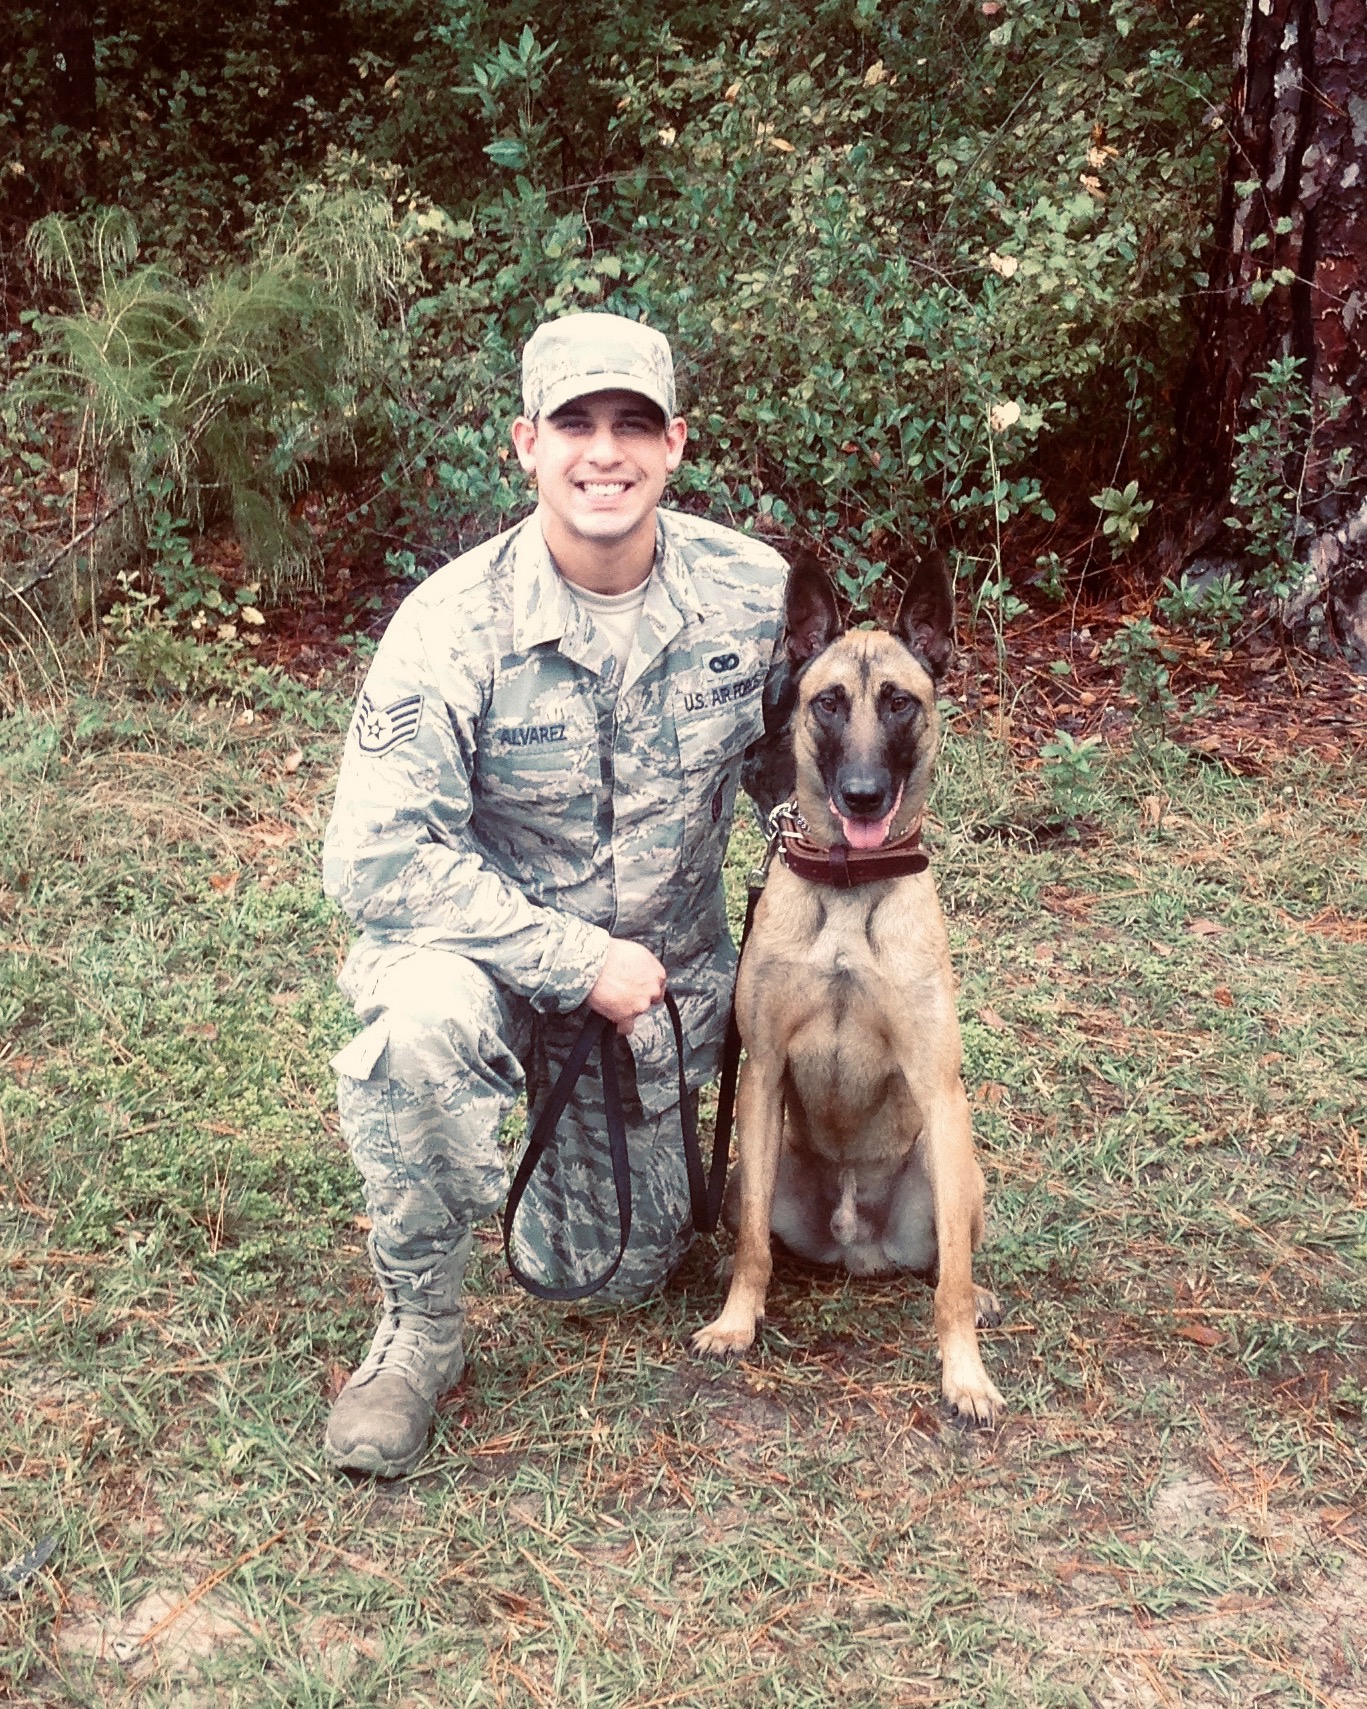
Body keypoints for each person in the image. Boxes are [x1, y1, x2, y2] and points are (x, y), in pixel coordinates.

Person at [321, 312, 790, 1476]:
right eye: (574, 423)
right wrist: (569, 957)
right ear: (525, 444)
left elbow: (804, 780)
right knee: (419, 1027)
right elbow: (374, 861)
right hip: (486, 961)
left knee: (617, 1284)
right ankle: (417, 1334)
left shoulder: (752, 595)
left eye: (633, 424)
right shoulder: (450, 622)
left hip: (649, 999)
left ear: (674, 444)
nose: (604, 451)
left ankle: (573, 1144)